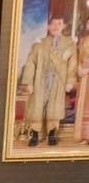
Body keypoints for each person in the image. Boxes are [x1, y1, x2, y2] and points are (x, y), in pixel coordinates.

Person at [17, 13, 76, 146]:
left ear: (63, 26)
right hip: (40, 79)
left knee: (54, 107)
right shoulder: (39, 44)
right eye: (53, 24)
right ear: (48, 26)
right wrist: (29, 82)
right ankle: (35, 134)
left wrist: (70, 81)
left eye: (59, 24)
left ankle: (52, 133)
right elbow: (31, 63)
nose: (56, 26)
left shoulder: (69, 45)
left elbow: (72, 65)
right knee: (37, 106)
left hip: (58, 80)